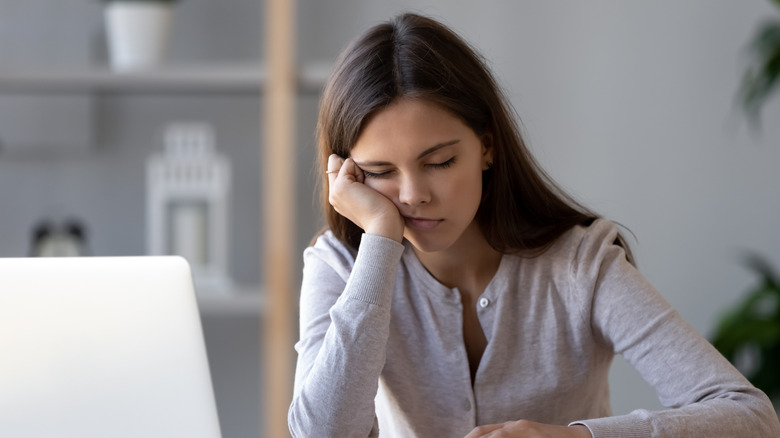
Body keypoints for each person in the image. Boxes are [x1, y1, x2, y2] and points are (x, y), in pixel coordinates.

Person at [288, 12, 780, 438]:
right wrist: (378, 242)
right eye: (380, 173)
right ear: (347, 175)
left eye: (438, 162)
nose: (413, 193)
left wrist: (575, 437)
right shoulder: (342, 267)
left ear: (486, 146)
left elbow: (750, 417)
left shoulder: (581, 265)